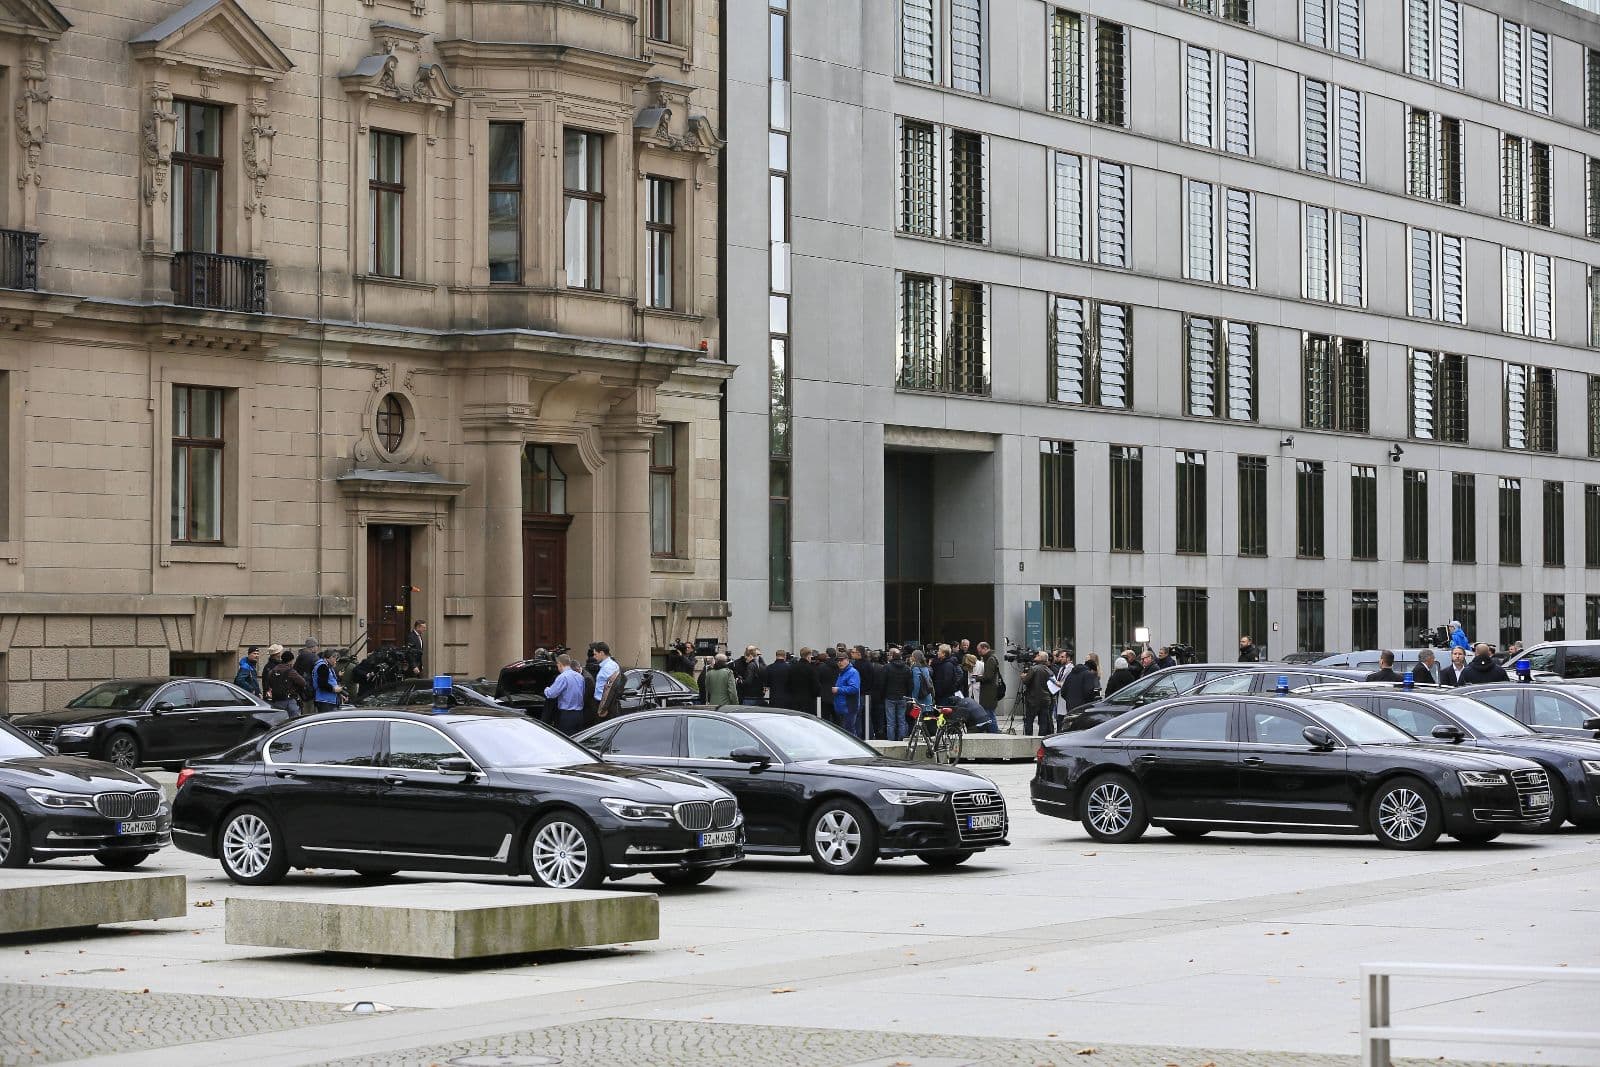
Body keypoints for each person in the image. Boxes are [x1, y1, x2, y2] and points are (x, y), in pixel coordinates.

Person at [542, 654, 587, 734]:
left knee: (566, 740)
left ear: (559, 664)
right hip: (580, 714)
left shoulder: (562, 677)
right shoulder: (580, 676)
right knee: (577, 739)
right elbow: (582, 693)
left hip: (567, 715)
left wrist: (546, 689)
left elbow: (552, 694)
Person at [881, 648, 912, 742]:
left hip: (889, 697)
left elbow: (882, 683)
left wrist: (883, 695)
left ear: (892, 656)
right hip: (902, 697)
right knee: (902, 720)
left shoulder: (887, 667)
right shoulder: (907, 668)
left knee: (890, 722)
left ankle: (891, 741)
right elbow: (910, 684)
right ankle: (902, 740)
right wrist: (908, 695)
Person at [264, 651, 308, 715]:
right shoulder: (290, 671)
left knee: (280, 720)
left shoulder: (272, 671)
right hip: (289, 700)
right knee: (295, 720)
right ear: (291, 660)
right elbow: (303, 682)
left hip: (276, 700)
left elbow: (268, 683)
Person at [1021, 651, 1054, 737]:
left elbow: (1026, 681)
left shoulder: (1034, 669)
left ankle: (1028, 738)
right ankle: (1041, 738)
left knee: (1029, 721)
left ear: (1041, 658)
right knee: (1043, 721)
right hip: (1045, 700)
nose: (1036, 655)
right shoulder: (1049, 670)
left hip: (1033, 699)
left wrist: (1023, 676)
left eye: (1038, 655)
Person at [831, 651, 862, 736]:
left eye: (841, 660)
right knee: (846, 733)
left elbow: (854, 688)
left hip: (849, 707)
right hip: (843, 707)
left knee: (849, 733)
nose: (839, 662)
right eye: (838, 661)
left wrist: (838, 690)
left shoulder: (852, 672)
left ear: (847, 660)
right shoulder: (843, 672)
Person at [312, 648, 345, 714]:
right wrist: (334, 689)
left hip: (327, 699)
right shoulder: (323, 667)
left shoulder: (326, 666)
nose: (336, 661)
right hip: (325, 700)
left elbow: (330, 681)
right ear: (330, 657)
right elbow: (322, 684)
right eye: (335, 658)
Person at [789, 647, 820, 712]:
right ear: (808, 656)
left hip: (794, 700)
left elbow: (788, 682)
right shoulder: (811, 669)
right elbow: (816, 685)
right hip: (808, 700)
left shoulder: (792, 667)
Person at [976, 641, 1002, 715]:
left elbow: (988, 676)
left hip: (989, 692)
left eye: (979, 650)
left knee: (989, 714)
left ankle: (994, 727)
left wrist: (977, 678)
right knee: (989, 714)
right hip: (990, 691)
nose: (978, 652)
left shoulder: (990, 659)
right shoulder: (990, 658)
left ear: (985, 648)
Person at [592, 642, 619, 713]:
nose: (594, 657)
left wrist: (604, 708)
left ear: (601, 653)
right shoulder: (611, 664)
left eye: (595, 654)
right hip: (604, 703)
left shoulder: (608, 667)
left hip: (603, 704)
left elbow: (611, 688)